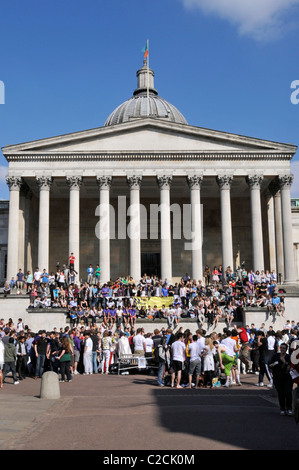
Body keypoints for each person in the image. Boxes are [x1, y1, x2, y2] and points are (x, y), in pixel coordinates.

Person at [269, 343, 293, 416]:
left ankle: (289, 408)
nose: (282, 349)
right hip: (277, 377)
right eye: (281, 348)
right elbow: (270, 364)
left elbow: (291, 368)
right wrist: (272, 365)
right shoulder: (275, 356)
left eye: (284, 348)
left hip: (287, 377)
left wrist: (284, 362)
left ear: (286, 349)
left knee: (288, 392)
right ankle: (282, 409)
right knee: (281, 393)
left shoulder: (289, 357)